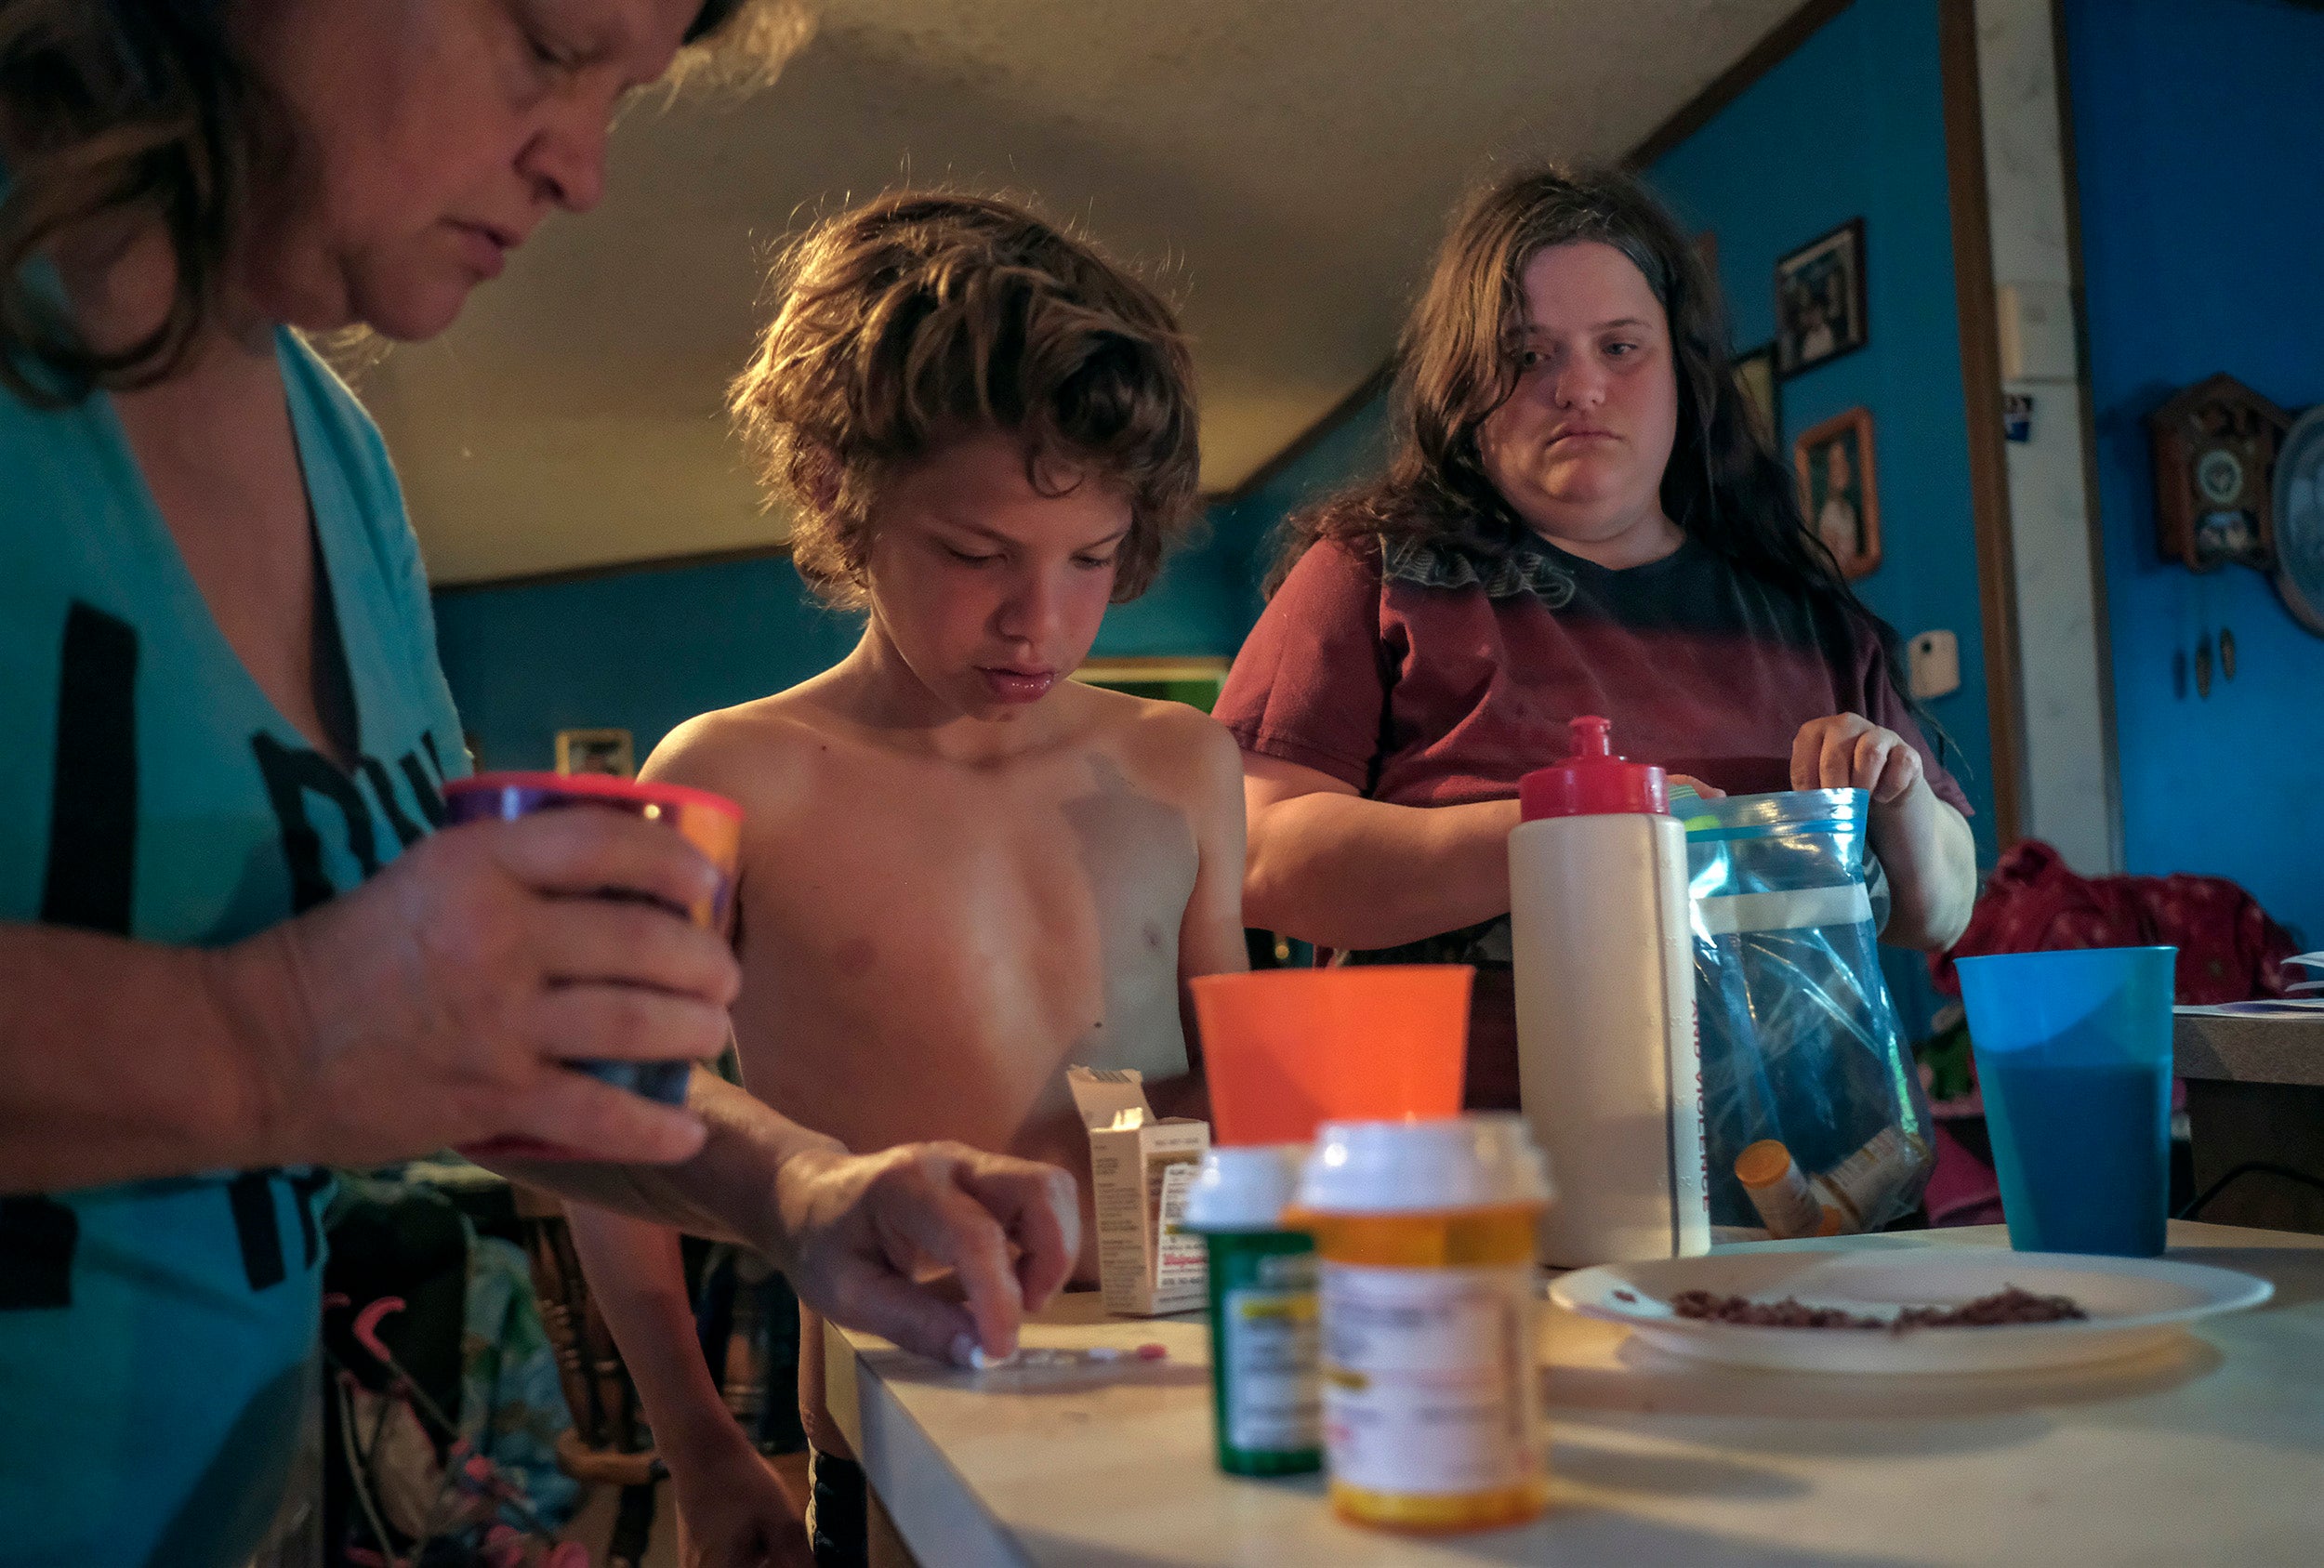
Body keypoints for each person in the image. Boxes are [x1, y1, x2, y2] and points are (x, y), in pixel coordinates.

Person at [0, 7, 1075, 1563]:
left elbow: (486, 1032)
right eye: (550, 45)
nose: (581, 168)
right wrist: (266, 1044)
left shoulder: (341, 461)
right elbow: (321, 1033)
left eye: (619, 92)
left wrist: (804, 1190)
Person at [565, 191, 1248, 1568]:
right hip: (888, 1435)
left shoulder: (1181, 765)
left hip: (1174, 1408)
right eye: (977, 554)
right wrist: (698, 1445)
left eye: (1092, 560)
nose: (1038, 621)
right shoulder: (732, 774)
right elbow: (608, 1118)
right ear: (836, 488)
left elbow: (1241, 1087)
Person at [1217, 165, 1977, 1107]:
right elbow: (1255, 858)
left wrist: (1896, 793)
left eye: (1619, 346)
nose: (1579, 387)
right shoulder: (1368, 574)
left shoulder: (1804, 613)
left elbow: (1940, 909)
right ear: (1468, 387)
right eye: (1529, 355)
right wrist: (1559, 834)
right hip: (1469, 1185)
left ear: (1682, 374)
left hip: (1807, 1189)